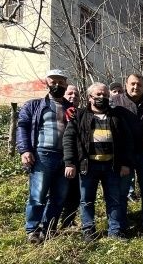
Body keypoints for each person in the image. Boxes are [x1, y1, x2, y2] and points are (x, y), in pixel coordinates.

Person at [62, 82, 134, 241]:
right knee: (86, 200)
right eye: (99, 95)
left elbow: (127, 141)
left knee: (114, 200)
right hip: (88, 166)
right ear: (90, 97)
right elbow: (68, 139)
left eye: (106, 95)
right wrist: (69, 162)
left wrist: (126, 163)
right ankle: (88, 230)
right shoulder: (79, 115)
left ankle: (115, 232)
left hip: (112, 166)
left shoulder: (116, 116)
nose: (103, 97)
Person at [17, 69, 72, 244]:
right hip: (42, 155)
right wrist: (25, 150)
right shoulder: (33, 105)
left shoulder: (71, 108)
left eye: (61, 82)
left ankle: (49, 228)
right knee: (37, 195)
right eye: (53, 81)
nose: (57, 85)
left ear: (65, 84)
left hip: (65, 157)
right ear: (46, 83)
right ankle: (32, 230)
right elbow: (23, 127)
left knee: (60, 195)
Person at [117, 74, 143, 233]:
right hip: (124, 154)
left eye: (139, 85)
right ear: (126, 84)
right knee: (122, 191)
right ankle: (121, 225)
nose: (136, 87)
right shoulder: (116, 102)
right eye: (132, 84)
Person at [61, 84, 81, 228]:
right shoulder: (57, 109)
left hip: (77, 159)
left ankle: (68, 221)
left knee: (75, 193)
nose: (73, 96)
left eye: (76, 94)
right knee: (57, 192)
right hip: (57, 156)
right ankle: (48, 223)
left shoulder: (81, 113)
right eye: (70, 93)